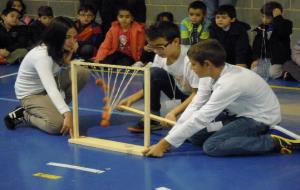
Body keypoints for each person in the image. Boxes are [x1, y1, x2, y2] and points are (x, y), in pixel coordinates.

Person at [143, 39, 300, 158]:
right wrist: (170, 137)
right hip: (236, 114)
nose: (191, 68)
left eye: (193, 64)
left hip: (258, 118)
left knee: (212, 146)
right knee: (193, 135)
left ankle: (274, 140)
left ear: (207, 64)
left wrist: (164, 145)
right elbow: (196, 105)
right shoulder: (208, 74)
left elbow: (203, 117)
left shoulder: (230, 83)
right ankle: (240, 134)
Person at [3, 17, 90, 136]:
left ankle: (54, 109)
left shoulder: (57, 47)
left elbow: (60, 65)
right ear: (56, 37)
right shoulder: (42, 56)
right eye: (67, 37)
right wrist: (67, 113)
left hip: (44, 87)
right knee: (57, 125)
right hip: (30, 94)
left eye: (74, 37)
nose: (72, 41)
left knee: (81, 72)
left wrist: (70, 53)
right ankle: (24, 115)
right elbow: (51, 87)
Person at [119, 22, 199, 132]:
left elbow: (198, 94)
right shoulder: (160, 56)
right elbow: (151, 82)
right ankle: (153, 117)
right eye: (153, 47)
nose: (156, 51)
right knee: (153, 73)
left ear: (176, 41)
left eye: (160, 47)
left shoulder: (192, 58)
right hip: (180, 95)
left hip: (199, 98)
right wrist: (131, 99)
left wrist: (174, 112)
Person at [251, 1, 293, 79]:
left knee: (273, 73)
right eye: (263, 16)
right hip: (266, 60)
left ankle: (286, 72)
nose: (264, 20)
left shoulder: (285, 24)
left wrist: (278, 18)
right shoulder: (262, 28)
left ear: (274, 16)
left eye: (268, 17)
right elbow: (257, 45)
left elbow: (283, 32)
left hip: (279, 60)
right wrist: (256, 59)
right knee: (254, 71)